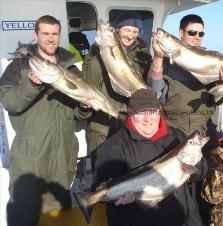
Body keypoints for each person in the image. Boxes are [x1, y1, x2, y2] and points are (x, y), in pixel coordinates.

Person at [0, 15, 90, 226]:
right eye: (45, 33)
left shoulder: (72, 69)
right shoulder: (18, 66)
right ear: (36, 35)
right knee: (23, 213)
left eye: (55, 34)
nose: (51, 39)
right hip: (29, 159)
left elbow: (79, 114)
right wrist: (31, 86)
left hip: (62, 157)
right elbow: (10, 103)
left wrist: (84, 107)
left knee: (58, 217)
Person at [147, 14, 223, 224]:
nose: (196, 37)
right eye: (192, 32)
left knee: (206, 189)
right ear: (181, 34)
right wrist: (158, 58)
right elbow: (153, 93)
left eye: (200, 33)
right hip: (174, 134)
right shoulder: (166, 63)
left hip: (205, 133)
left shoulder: (212, 60)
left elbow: (218, 98)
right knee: (176, 191)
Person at [92, 88, 207, 226]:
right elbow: (99, 188)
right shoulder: (113, 146)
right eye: (141, 113)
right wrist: (116, 196)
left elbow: (200, 175)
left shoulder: (177, 137)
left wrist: (197, 163)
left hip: (184, 220)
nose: (148, 119)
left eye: (152, 112)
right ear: (130, 113)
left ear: (159, 112)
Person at [82, 10, 152, 167]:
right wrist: (99, 53)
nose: (130, 35)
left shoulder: (144, 57)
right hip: (101, 121)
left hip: (129, 121)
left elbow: (151, 86)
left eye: (135, 31)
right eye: (127, 30)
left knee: (126, 169)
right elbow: (90, 81)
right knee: (100, 170)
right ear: (118, 29)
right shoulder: (96, 52)